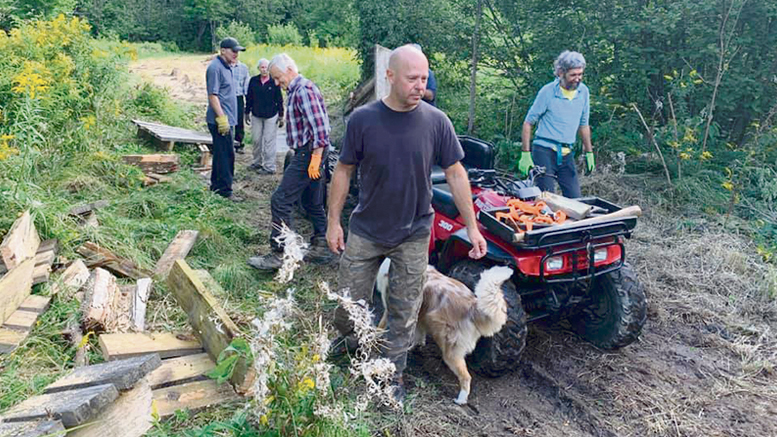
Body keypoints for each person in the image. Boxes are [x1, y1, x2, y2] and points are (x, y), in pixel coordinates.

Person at [326, 45, 487, 402]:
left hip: (414, 233)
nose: (420, 85)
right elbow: (343, 170)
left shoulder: (436, 121)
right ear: (390, 76)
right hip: (367, 230)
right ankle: (349, 337)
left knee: (403, 310)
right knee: (347, 305)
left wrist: (472, 227)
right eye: (412, 78)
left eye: (424, 78)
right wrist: (333, 221)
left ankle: (391, 375)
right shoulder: (363, 120)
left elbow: (456, 173)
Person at [247, 53, 334, 270]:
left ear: (289, 70)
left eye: (278, 78)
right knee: (313, 202)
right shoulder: (297, 90)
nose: (277, 83)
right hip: (308, 153)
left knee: (280, 200)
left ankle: (280, 252)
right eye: (274, 79)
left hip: (308, 154)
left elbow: (321, 128)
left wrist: (315, 158)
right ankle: (322, 246)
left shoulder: (304, 90)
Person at [519, 50, 595, 199]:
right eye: (573, 75)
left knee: (575, 200)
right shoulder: (548, 92)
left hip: (567, 153)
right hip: (544, 151)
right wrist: (525, 153)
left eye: (580, 74)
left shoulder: (583, 92)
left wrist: (589, 152)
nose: (577, 79)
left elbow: (584, 125)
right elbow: (528, 123)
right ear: (561, 72)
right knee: (547, 199)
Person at [205, 37, 245, 201]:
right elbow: (213, 96)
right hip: (221, 121)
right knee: (227, 156)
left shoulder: (227, 67)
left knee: (222, 154)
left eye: (238, 51)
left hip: (229, 120)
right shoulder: (215, 68)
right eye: (233, 51)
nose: (236, 54)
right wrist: (222, 119)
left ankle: (216, 187)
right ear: (223, 50)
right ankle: (225, 191)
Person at [245, 58, 285, 174]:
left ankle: (269, 167)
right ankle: (257, 162)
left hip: (271, 115)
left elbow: (280, 99)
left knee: (269, 141)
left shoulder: (274, 82)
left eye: (267, 68)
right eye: (262, 67)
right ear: (259, 68)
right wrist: (247, 112)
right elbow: (249, 98)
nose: (264, 70)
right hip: (256, 114)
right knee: (256, 140)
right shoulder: (253, 81)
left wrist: (281, 115)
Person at [233, 59, 250, 154]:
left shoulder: (243, 68)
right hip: (227, 96)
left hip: (239, 97)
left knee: (239, 120)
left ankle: (239, 143)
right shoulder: (225, 67)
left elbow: (246, 84)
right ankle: (228, 143)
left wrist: (248, 101)